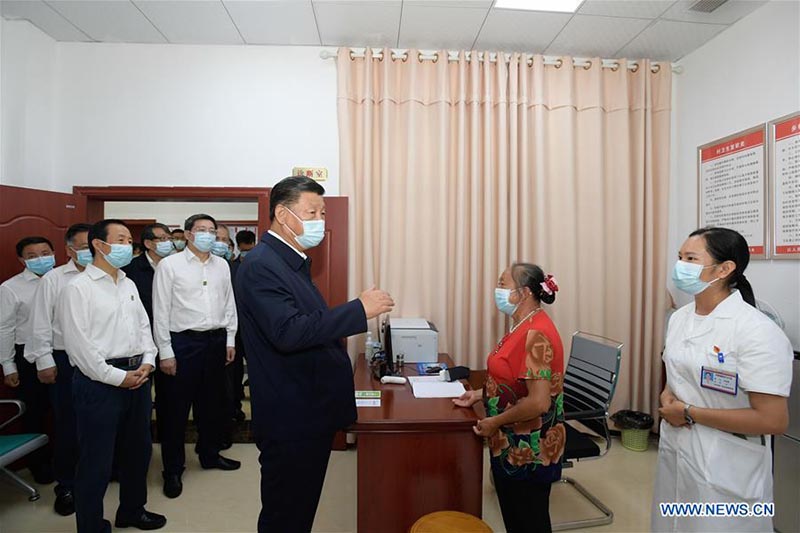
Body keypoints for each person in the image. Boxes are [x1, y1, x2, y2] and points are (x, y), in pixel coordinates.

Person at [236, 176, 394, 532]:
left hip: (307, 410)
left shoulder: (291, 261)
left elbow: (308, 324)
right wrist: (357, 310)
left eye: (323, 213)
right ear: (282, 214)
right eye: (312, 212)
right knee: (286, 515)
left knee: (300, 509)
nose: (320, 220)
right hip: (291, 416)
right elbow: (289, 332)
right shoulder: (262, 264)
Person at [652, 227, 793, 533]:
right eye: (679, 258)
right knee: (673, 523)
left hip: (729, 464)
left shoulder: (756, 330)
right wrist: (667, 394)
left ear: (725, 268)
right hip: (679, 450)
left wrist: (688, 413)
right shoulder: (680, 318)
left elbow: (772, 419)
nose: (680, 266)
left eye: (691, 258)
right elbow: (676, 368)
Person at [59, 219, 166, 533]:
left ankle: (132, 511)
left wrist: (148, 360)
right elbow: (80, 348)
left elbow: (144, 328)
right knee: (96, 460)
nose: (126, 244)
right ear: (98, 244)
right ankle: (91, 525)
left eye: (128, 239)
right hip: (99, 382)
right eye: (120, 238)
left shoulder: (128, 282)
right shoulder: (77, 288)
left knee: (138, 451)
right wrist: (118, 377)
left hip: (138, 377)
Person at [453, 263, 566, 533]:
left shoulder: (536, 334)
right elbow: (511, 379)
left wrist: (495, 422)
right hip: (512, 442)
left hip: (528, 449)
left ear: (524, 292)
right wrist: (480, 396)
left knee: (528, 520)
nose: (497, 290)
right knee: (517, 517)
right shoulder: (523, 324)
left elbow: (539, 402)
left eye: (502, 284)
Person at [152, 214, 240, 500]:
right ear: (188, 234)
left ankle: (210, 454)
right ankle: (173, 469)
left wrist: (229, 338)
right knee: (175, 410)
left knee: (212, 404)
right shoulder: (169, 265)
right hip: (182, 343)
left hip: (215, 341)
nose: (207, 235)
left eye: (212, 231)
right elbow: (160, 311)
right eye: (201, 230)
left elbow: (229, 303)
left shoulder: (222, 265)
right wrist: (165, 351)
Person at [24, 223, 92, 515]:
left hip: (101, 360)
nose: (92, 251)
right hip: (65, 361)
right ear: (69, 249)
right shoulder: (53, 279)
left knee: (98, 423)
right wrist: (44, 361)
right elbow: (39, 323)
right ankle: (66, 485)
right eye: (85, 246)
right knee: (68, 424)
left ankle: (96, 476)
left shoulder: (113, 277)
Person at [0, 236, 57, 484]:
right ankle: (39, 464)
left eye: (46, 253)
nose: (41, 259)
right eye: (33, 256)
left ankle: (65, 458)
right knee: (35, 413)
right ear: (22, 260)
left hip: (63, 352)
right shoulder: (11, 288)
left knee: (65, 411)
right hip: (27, 357)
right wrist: (8, 365)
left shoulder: (65, 280)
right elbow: (4, 328)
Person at [123, 223, 173, 323]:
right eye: (163, 239)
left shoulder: (175, 265)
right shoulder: (131, 268)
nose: (168, 242)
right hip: (145, 323)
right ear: (148, 243)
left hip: (173, 325)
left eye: (170, 239)